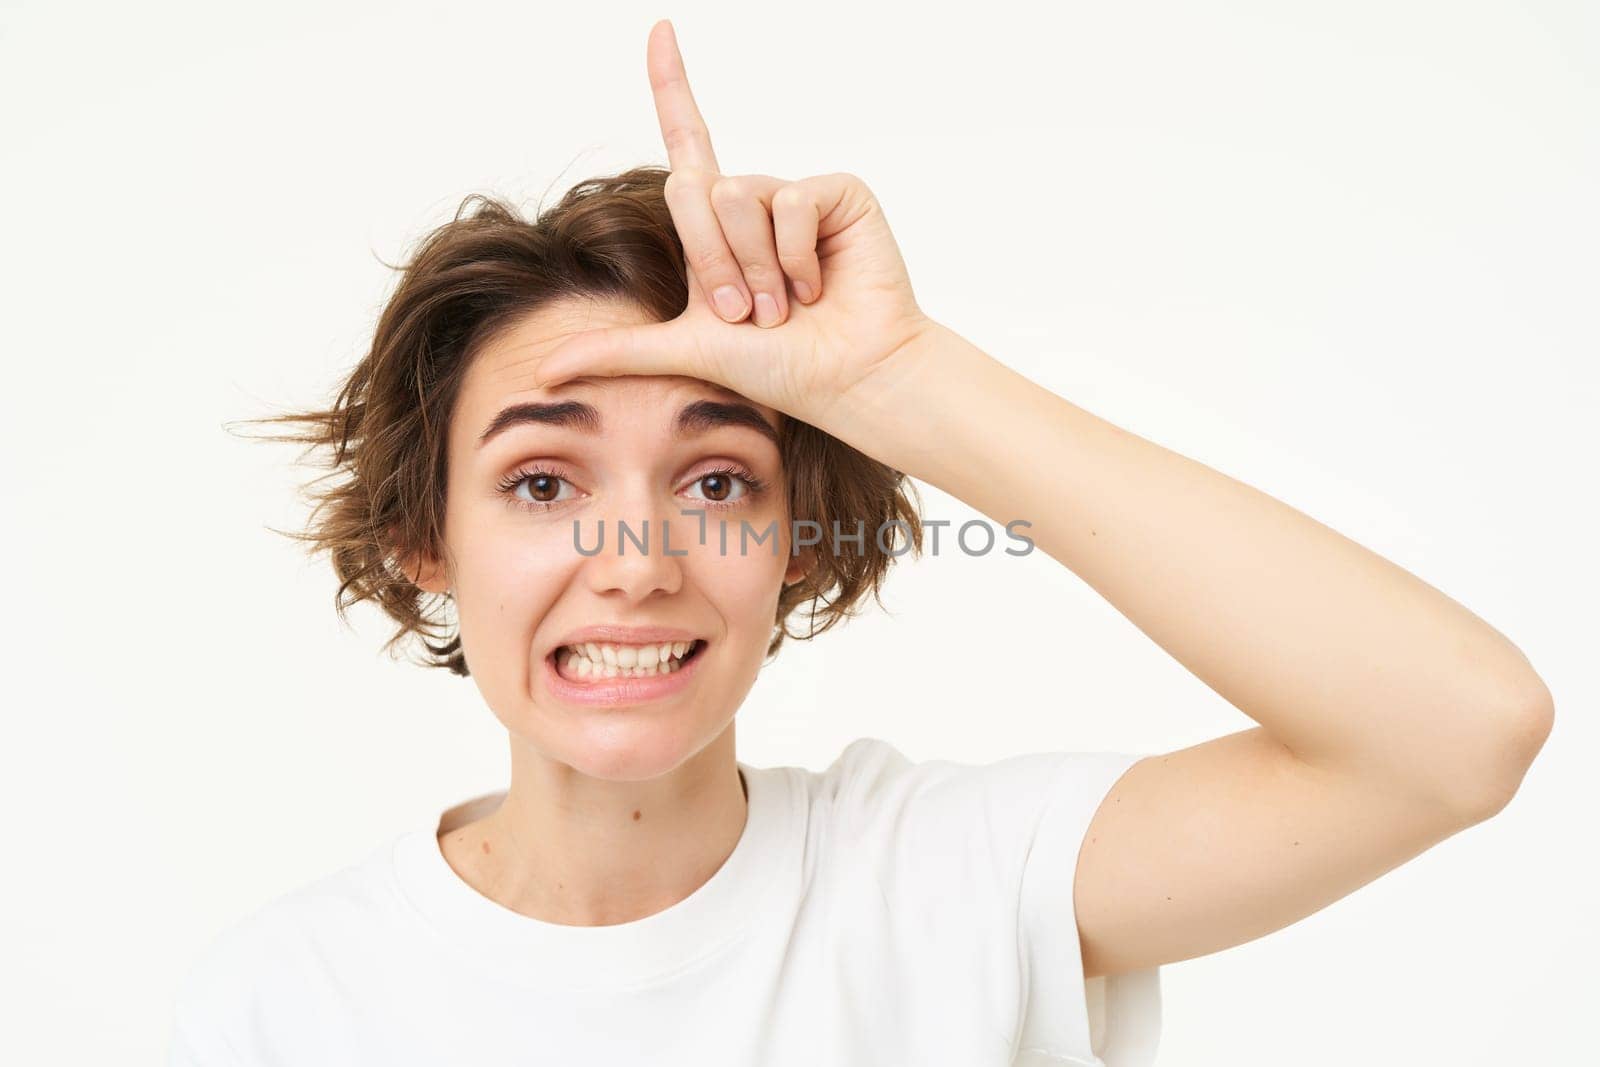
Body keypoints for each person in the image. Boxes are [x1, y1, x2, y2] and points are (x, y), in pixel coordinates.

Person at [168, 19, 1554, 1066]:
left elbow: (1460, 729)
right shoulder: (278, 1003)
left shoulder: (957, 883)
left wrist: (898, 379)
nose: (637, 558)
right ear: (424, 539)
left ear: (802, 545)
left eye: (717, 479)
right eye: (542, 484)